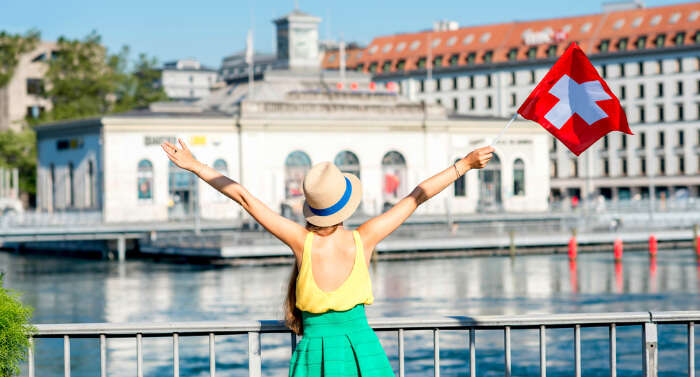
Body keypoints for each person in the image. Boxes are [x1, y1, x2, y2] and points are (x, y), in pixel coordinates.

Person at [161, 139, 494, 377]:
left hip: (314, 356)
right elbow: (416, 196)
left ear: (312, 207)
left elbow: (244, 198)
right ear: (346, 203)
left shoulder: (301, 242)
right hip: (364, 353)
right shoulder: (364, 238)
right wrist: (463, 164)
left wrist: (195, 166)